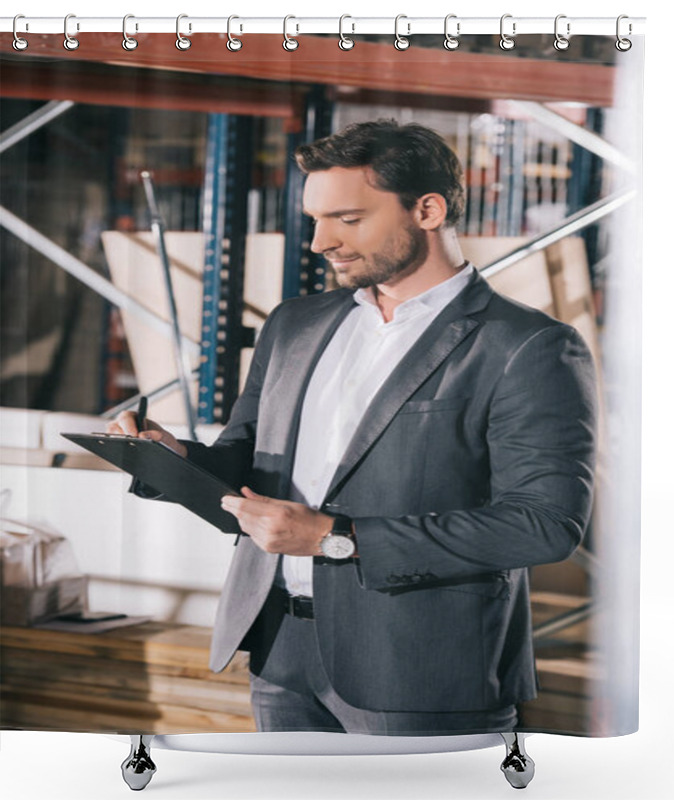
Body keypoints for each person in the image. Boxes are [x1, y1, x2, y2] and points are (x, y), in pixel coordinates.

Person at [110, 119, 597, 736]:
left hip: (421, 664)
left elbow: (544, 525)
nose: (319, 243)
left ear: (427, 209)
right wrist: (172, 458)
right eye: (315, 219)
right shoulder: (295, 324)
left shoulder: (526, 346)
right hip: (279, 647)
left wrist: (336, 537)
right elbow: (248, 461)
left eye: (347, 219)